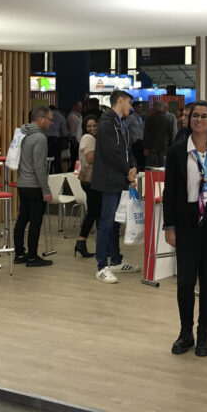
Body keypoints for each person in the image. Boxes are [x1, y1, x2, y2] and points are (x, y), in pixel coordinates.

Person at [162, 100, 207, 357]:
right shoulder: (177, 151)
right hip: (187, 221)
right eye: (194, 116)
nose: (198, 120)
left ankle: (204, 334)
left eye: (204, 116)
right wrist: (169, 226)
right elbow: (170, 192)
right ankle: (185, 333)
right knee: (185, 282)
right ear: (188, 120)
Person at [92, 89, 140, 283]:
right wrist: (128, 171)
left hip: (120, 179)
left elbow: (128, 151)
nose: (131, 107)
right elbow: (112, 154)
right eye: (129, 102)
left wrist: (134, 167)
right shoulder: (106, 124)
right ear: (120, 101)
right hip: (110, 180)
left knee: (115, 222)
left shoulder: (121, 124)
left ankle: (116, 260)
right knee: (106, 223)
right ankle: (101, 266)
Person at [13, 106, 54, 267]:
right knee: (36, 221)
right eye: (50, 119)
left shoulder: (21, 133)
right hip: (34, 185)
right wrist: (46, 189)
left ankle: (19, 254)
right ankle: (32, 257)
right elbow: (39, 166)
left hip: (22, 182)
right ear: (41, 119)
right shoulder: (40, 138)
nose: (51, 123)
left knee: (22, 218)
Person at [75, 114, 99, 259]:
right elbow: (90, 159)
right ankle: (82, 241)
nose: (92, 128)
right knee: (94, 212)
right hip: (91, 180)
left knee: (94, 211)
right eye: (89, 126)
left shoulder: (89, 138)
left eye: (94, 125)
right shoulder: (89, 138)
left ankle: (82, 242)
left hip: (89, 180)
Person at [143, 102, 173, 168]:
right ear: (162, 109)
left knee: (149, 166)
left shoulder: (149, 119)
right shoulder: (167, 120)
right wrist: (170, 145)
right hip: (163, 145)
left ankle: (149, 174)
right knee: (163, 166)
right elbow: (170, 134)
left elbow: (146, 134)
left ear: (154, 109)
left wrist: (145, 147)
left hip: (151, 145)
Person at [45, 104, 68, 173]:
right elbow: (64, 132)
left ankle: (48, 173)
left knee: (47, 160)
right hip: (56, 141)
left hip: (46, 140)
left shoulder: (45, 116)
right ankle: (57, 175)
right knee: (57, 161)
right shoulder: (61, 117)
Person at [126, 101, 146, 169]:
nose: (141, 109)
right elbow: (124, 128)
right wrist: (130, 136)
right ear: (134, 108)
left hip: (141, 141)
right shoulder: (130, 117)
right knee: (136, 160)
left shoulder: (140, 117)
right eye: (139, 107)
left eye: (142, 107)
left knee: (142, 160)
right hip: (135, 142)